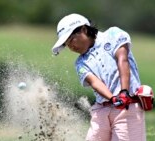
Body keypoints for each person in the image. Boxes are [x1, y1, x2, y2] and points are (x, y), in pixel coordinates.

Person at [52, 13, 146, 141]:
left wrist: (124, 92)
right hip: (101, 110)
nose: (70, 46)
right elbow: (95, 82)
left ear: (84, 29)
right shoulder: (80, 63)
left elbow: (122, 60)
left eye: (71, 40)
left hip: (127, 107)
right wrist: (113, 98)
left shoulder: (113, 34)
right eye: (67, 44)